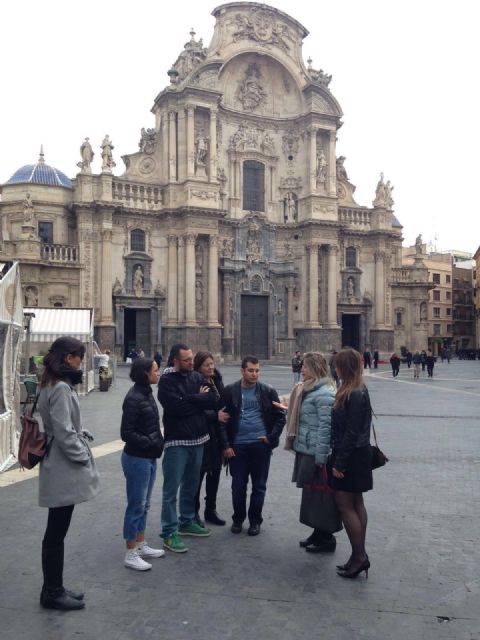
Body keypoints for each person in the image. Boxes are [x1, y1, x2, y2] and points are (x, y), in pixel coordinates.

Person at [37, 337, 99, 610]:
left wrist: (79, 433)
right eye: (78, 355)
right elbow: (62, 431)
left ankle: (54, 587)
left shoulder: (51, 383)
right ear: (67, 357)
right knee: (56, 531)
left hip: (57, 462)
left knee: (56, 530)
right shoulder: (60, 387)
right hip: (62, 465)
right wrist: (82, 454)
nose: (81, 360)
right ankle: (52, 592)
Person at [276, 353, 340, 553]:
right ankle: (318, 532)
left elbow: (325, 428)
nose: (301, 369)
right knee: (312, 493)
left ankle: (327, 537)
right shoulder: (310, 389)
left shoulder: (325, 393)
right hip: (307, 448)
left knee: (322, 495)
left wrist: (321, 457)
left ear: (314, 368)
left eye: (304, 367)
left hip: (316, 453)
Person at [157, 343, 218, 552]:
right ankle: (168, 531)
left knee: (191, 486)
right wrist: (197, 400)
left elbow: (212, 399)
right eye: (187, 360)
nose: (192, 363)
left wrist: (192, 399)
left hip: (199, 439)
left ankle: (186, 521)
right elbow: (176, 408)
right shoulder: (166, 381)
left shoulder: (196, 377)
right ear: (175, 361)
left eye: (192, 359)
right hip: (177, 441)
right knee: (171, 489)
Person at [220, 356, 286, 536]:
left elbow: (280, 416)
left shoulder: (267, 391)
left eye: (257, 370)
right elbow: (222, 421)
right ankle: (238, 519)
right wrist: (226, 445)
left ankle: (255, 521)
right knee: (238, 486)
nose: (254, 374)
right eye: (251, 370)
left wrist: (271, 438)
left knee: (259, 486)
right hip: (238, 447)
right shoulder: (230, 391)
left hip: (260, 446)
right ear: (242, 371)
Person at [329, 348, 373, 579]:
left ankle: (359, 557)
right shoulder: (355, 389)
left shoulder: (353, 393)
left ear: (343, 368)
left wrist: (339, 463)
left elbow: (351, 432)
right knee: (356, 503)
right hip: (357, 454)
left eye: (336, 364)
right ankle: (358, 555)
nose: (334, 367)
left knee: (346, 505)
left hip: (351, 455)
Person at [121, 358, 165, 571]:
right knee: (136, 505)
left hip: (148, 456)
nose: (159, 373)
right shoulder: (134, 398)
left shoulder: (146, 393)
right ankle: (130, 553)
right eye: (156, 370)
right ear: (145, 373)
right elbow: (126, 433)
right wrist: (151, 442)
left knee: (145, 504)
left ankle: (140, 543)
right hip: (137, 458)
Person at [193, 351, 229, 526]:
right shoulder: (194, 383)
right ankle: (194, 512)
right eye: (207, 365)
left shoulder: (217, 382)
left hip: (217, 434)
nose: (211, 367)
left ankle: (210, 510)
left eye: (212, 364)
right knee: (198, 476)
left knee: (215, 473)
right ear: (199, 367)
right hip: (200, 434)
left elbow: (223, 405)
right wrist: (216, 415)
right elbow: (194, 410)